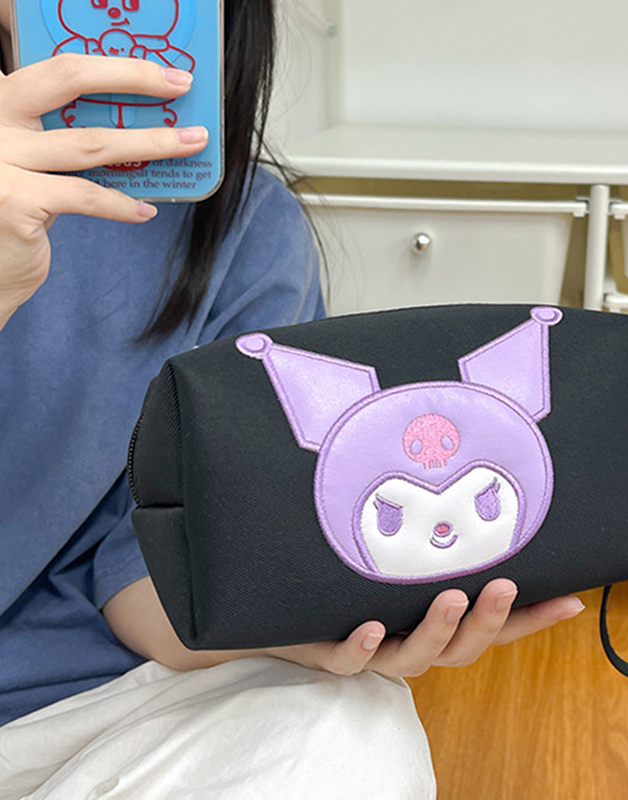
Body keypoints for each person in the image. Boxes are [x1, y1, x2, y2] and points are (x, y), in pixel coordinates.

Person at [0, 2, 585, 798]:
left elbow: (136, 564)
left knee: (345, 729)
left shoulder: (248, 230)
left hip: (71, 703)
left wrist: (293, 625)